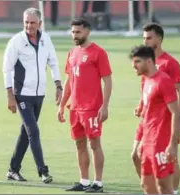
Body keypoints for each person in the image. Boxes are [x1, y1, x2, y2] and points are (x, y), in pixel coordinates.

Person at [2, 7, 62, 183]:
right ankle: (43, 171)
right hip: (22, 94)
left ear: (40, 24)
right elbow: (7, 68)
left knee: (26, 132)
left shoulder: (46, 39)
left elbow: (53, 62)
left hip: (39, 94)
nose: (29, 26)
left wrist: (58, 85)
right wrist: (10, 95)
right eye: (26, 22)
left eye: (32, 22)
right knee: (33, 131)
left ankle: (13, 169)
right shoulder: (16, 41)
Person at [57, 18, 112, 193]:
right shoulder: (72, 52)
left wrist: (104, 106)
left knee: (95, 145)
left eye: (78, 32)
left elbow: (108, 81)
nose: (75, 35)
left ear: (87, 32)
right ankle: (84, 181)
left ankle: (98, 183)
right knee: (79, 145)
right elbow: (68, 81)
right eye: (73, 32)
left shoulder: (98, 53)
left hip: (92, 108)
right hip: (75, 108)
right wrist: (62, 104)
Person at [131, 23, 180, 194]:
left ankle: (173, 190)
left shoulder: (169, 64)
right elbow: (145, 86)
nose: (145, 41)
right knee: (135, 155)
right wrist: (141, 105)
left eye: (149, 38)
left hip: (163, 122)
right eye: (144, 38)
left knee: (171, 159)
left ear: (159, 39)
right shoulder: (147, 66)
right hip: (147, 120)